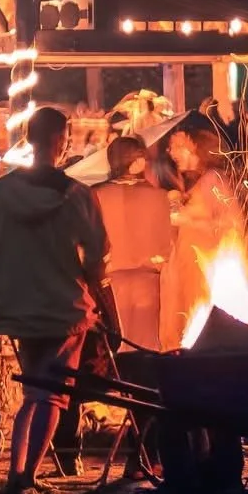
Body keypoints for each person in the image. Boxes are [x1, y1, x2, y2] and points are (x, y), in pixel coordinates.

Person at [0, 105, 115, 494]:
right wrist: (92, 285)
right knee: (49, 394)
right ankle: (24, 478)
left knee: (35, 386)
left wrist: (2, 277)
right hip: (64, 307)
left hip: (17, 305)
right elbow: (98, 254)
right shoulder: (78, 196)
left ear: (29, 139)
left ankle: (19, 472)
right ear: (60, 140)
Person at [159, 122, 243, 352]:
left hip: (202, 267)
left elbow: (231, 223)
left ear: (196, 148)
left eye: (178, 146)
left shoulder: (213, 180)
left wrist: (183, 217)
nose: (172, 153)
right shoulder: (198, 182)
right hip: (190, 266)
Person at [92, 134, 172, 349]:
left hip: (108, 283)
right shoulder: (160, 197)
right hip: (147, 281)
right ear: (135, 162)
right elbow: (167, 245)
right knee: (145, 347)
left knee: (114, 347)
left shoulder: (95, 195)